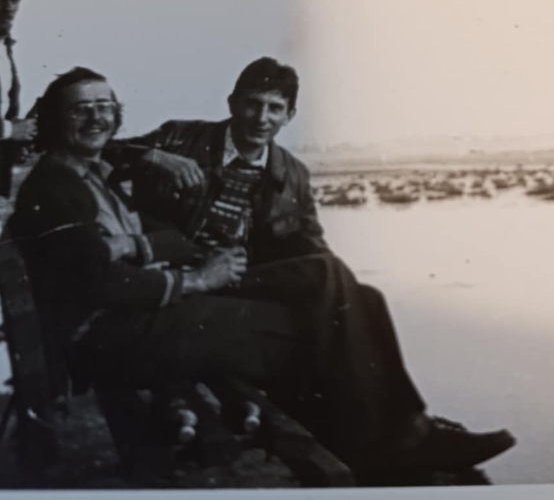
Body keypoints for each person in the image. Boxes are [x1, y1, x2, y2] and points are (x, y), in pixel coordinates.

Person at [11, 64, 515, 478]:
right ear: (233, 103)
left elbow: (309, 245)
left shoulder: (291, 172)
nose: (261, 117)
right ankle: (393, 438)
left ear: (289, 115)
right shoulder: (180, 140)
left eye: (275, 108)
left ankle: (407, 430)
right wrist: (156, 157)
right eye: (253, 104)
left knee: (359, 297)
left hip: (229, 280)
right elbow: (111, 154)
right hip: (179, 288)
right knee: (322, 310)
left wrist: (334, 292)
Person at [0, 0, 38, 197]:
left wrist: (13, 145)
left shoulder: (5, 49)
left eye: (15, 0)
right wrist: (10, 130)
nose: (9, 7)